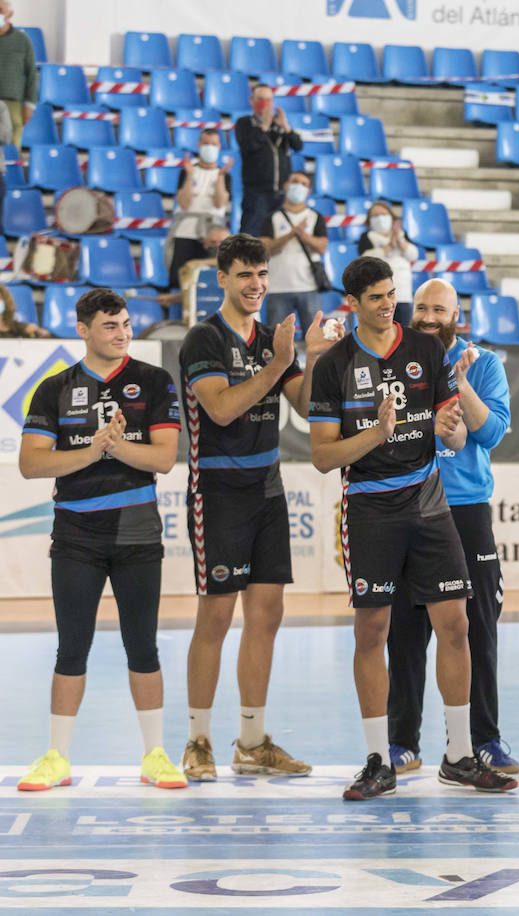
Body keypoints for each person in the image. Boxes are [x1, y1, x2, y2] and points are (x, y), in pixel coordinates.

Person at [309, 255, 515, 800]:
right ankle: (380, 759)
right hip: (372, 509)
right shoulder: (334, 365)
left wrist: (449, 433)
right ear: (352, 303)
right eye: (375, 296)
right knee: (373, 632)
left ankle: (461, 754)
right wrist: (377, 434)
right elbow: (323, 457)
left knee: (457, 625)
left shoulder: (428, 351)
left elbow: (454, 435)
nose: (388, 304)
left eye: (390, 293)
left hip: (431, 505)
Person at [16, 288, 185, 791]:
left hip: (137, 532)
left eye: (127, 324)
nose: (122, 333)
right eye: (110, 325)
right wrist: (91, 453)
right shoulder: (54, 388)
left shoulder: (153, 381)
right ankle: (57, 757)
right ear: (84, 330)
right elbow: (31, 464)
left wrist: (117, 446)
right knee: (72, 649)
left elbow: (162, 458)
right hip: (75, 535)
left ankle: (155, 755)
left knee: (143, 647)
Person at [176, 233, 330, 782]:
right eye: (244, 275)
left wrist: (309, 358)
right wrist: (277, 365)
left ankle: (251, 741)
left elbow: (309, 409)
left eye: (262, 274)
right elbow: (219, 410)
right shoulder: (203, 339)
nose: (256, 285)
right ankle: (197, 740)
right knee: (215, 617)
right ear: (222, 279)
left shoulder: (272, 338)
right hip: (217, 493)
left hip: (267, 489)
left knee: (266, 615)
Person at [386, 277, 516, 776]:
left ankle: (483, 738)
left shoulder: (482, 363)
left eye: (439, 308)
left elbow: (492, 432)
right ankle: (402, 742)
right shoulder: (395, 360)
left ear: (456, 315)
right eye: (421, 307)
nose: (428, 316)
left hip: (464, 508)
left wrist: (457, 381)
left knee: (478, 626)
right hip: (407, 503)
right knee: (405, 627)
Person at [261, 171, 326, 330]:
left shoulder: (315, 217)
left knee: (314, 340)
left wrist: (303, 235)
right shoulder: (272, 217)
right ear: (286, 186)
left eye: (303, 184)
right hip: (278, 287)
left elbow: (322, 247)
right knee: (276, 339)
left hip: (309, 287)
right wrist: (290, 235)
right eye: (295, 182)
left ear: (308, 191)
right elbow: (265, 248)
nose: (298, 186)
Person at [235, 84, 301, 241]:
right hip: (257, 193)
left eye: (268, 100)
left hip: (281, 192)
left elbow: (298, 146)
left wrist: (286, 127)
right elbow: (248, 145)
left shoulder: (278, 125)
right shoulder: (245, 123)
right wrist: (263, 126)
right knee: (250, 239)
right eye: (260, 99)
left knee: (280, 237)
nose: (264, 103)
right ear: (251, 100)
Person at [168, 129, 233, 282]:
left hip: (213, 235)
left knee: (209, 279)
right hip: (186, 231)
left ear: (219, 147)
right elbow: (184, 203)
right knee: (180, 278)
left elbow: (219, 203)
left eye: (213, 144)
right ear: (198, 145)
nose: (209, 147)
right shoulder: (187, 172)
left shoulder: (225, 175)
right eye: (205, 143)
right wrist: (190, 175)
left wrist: (221, 176)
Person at [356, 201, 419, 326]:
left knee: (403, 332)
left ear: (391, 217)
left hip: (403, 294)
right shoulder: (367, 236)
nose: (380, 218)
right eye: (375, 215)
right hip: (378, 295)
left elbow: (413, 255)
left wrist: (400, 240)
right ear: (369, 220)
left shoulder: (402, 234)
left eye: (383, 214)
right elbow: (366, 258)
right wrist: (389, 246)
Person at [0, 2, 37, 149]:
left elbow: (32, 74)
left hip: (13, 104)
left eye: (1, 10)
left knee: (12, 152)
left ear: (10, 14)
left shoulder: (23, 41)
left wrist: (29, 105)